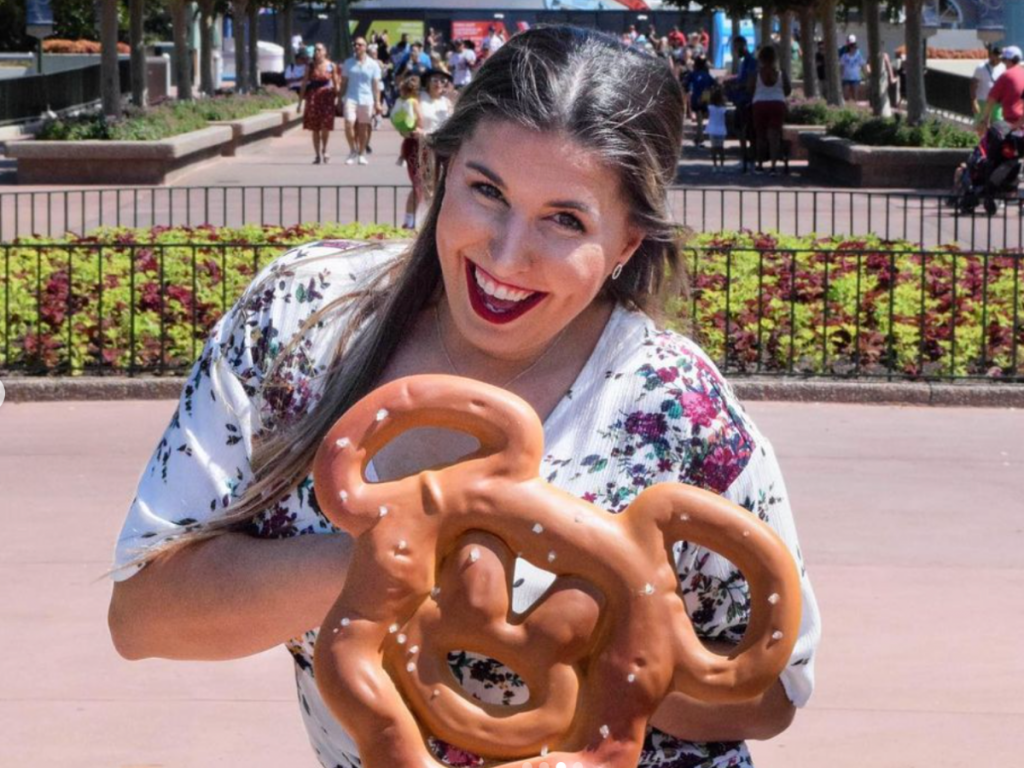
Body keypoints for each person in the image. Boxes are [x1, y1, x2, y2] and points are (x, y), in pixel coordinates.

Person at [108, 26, 820, 768]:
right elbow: (143, 616)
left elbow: (774, 697)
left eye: (565, 219)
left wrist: (615, 634)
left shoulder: (681, 413)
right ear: (440, 171)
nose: (507, 254)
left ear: (627, 244)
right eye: (487, 191)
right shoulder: (297, 322)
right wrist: (381, 565)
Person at [340, 36, 384, 166]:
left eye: (360, 45)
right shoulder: (348, 63)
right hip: (351, 97)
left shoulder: (373, 64)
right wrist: (338, 98)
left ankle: (361, 153)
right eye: (355, 45)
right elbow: (343, 83)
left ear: (365, 47)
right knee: (349, 124)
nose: (357, 47)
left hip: (366, 98)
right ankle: (352, 150)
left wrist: (378, 102)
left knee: (363, 127)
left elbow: (376, 85)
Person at [751, 44, 790, 175]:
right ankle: (773, 167)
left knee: (760, 136)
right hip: (777, 104)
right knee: (774, 136)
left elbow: (750, 89)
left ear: (761, 58)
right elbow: (788, 90)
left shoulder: (756, 73)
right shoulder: (780, 73)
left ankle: (760, 165)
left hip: (759, 104)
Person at [297, 42, 339, 165]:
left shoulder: (331, 65)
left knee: (325, 127)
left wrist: (338, 98)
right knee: (315, 128)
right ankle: (316, 155)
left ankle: (325, 149)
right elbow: (304, 83)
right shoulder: (310, 66)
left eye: (319, 50)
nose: (317, 52)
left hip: (327, 98)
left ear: (325, 52)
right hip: (313, 98)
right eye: (315, 50)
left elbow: (336, 82)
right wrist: (300, 102)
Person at [393, 75, 423, 229]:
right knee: (419, 184)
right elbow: (420, 123)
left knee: (418, 185)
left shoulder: (404, 103)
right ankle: (411, 221)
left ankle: (411, 220)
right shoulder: (413, 103)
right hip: (416, 146)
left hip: (411, 144)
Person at [726, 36, 757, 172]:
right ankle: (745, 159)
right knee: (741, 130)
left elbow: (750, 83)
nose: (735, 50)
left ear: (742, 46)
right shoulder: (744, 62)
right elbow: (741, 79)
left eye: (736, 47)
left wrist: (737, 86)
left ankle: (749, 160)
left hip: (747, 101)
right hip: (740, 100)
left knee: (747, 131)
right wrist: (732, 81)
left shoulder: (751, 62)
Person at [980, 46, 1024, 132]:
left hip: (1012, 124)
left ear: (1009, 60)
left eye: (1004, 60)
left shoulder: (1006, 75)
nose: (1003, 63)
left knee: (990, 142)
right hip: (1020, 124)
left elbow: (991, 99)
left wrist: (985, 119)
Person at [971, 44, 1005, 127]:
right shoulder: (981, 67)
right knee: (981, 127)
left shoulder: (1003, 67)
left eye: (1001, 58)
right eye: (997, 57)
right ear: (992, 55)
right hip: (982, 101)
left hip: (997, 103)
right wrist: (974, 102)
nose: (999, 60)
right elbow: (973, 85)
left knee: (997, 127)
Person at [687, 56, 715, 148]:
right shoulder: (707, 75)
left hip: (697, 96)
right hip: (705, 95)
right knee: (701, 117)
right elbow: (714, 84)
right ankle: (699, 136)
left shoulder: (694, 74)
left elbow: (686, 82)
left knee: (699, 117)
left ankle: (700, 137)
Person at [706, 85, 728, 173]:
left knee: (714, 149)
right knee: (721, 149)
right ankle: (722, 165)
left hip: (712, 129)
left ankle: (715, 165)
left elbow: (705, 101)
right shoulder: (723, 109)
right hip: (721, 130)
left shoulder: (710, 108)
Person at [839, 34, 866, 103]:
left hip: (855, 78)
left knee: (855, 95)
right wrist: (840, 76)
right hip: (846, 78)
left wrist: (865, 75)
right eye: (852, 45)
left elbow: (862, 65)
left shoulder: (858, 54)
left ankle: (855, 108)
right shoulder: (844, 53)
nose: (853, 47)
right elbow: (841, 66)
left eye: (854, 46)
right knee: (846, 95)